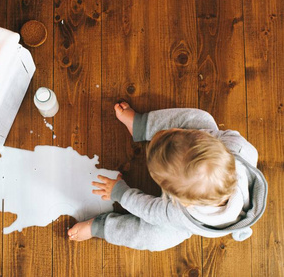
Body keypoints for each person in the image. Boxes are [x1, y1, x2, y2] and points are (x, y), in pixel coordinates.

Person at [67, 102, 267, 251]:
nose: (168, 131)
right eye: (176, 132)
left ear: (176, 197)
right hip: (198, 166)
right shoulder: (239, 148)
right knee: (202, 119)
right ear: (207, 139)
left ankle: (101, 227)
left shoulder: (177, 212)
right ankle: (140, 124)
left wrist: (120, 193)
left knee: (155, 238)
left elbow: (150, 209)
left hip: (186, 222)